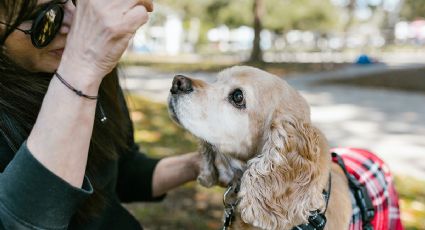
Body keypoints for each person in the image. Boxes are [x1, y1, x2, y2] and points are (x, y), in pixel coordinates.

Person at [0, 0, 201, 229]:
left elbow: (120, 173)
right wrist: (81, 70)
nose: (75, 22)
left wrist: (196, 165)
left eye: (79, 4)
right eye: (45, 14)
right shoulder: (84, 68)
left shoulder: (93, 71)